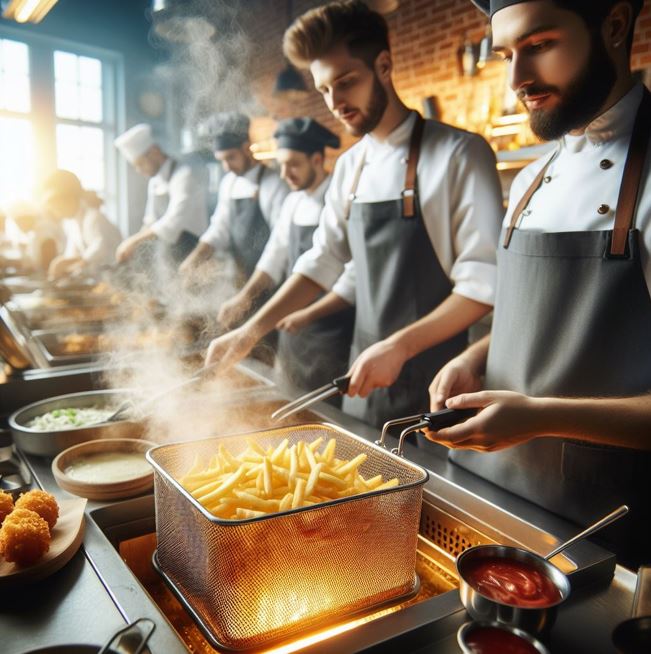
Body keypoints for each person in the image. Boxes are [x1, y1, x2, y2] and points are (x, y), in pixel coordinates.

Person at [204, 0, 504, 428]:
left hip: (437, 379)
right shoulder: (351, 165)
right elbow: (321, 262)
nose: (335, 102)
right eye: (324, 89)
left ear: (383, 65)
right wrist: (247, 332)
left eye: (346, 82)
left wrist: (399, 347)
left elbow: (482, 286)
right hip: (361, 373)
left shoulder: (460, 153)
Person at [429, 0, 650, 566]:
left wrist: (541, 416)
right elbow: (541, 315)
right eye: (506, 54)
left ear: (616, 26)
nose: (517, 80)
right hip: (492, 499)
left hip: (601, 532)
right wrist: (477, 355)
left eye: (540, 45)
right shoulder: (530, 178)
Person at [218, 117, 355, 392]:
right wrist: (243, 296)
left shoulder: (339, 202)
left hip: (332, 330)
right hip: (291, 326)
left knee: (326, 410)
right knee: (289, 401)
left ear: (317, 160)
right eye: (281, 165)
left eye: (293, 164)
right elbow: (274, 256)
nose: (284, 174)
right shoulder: (293, 201)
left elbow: (351, 274)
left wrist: (310, 314)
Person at [179, 113, 289, 286]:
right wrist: (196, 257)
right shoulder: (229, 183)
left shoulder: (275, 184)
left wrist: (257, 283)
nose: (226, 167)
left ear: (246, 148)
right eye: (221, 160)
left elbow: (281, 241)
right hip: (240, 275)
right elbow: (220, 227)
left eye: (231, 157)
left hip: (272, 277)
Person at [113, 123, 208, 266]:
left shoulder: (184, 175)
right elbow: (151, 221)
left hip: (193, 250)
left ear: (155, 151)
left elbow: (173, 222)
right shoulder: (155, 181)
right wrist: (133, 247)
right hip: (168, 252)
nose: (139, 170)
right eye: (136, 166)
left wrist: (134, 241)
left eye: (140, 164)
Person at [41, 169, 121, 279]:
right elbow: (73, 255)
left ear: (69, 199)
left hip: (117, 280)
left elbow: (101, 249)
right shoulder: (70, 224)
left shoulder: (94, 218)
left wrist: (76, 261)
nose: (55, 212)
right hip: (98, 283)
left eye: (56, 206)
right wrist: (65, 264)